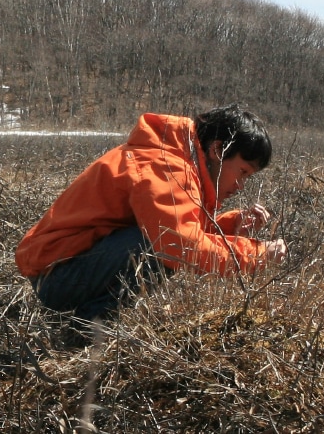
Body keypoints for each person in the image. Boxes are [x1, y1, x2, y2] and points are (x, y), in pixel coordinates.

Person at [15, 104, 287, 324]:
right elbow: (178, 243)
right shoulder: (164, 164)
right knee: (154, 247)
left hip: (66, 271)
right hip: (56, 279)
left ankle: (93, 324)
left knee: (157, 242)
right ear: (217, 150)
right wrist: (257, 255)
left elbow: (180, 225)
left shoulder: (178, 159)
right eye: (242, 172)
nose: (240, 186)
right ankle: (87, 331)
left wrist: (233, 224)